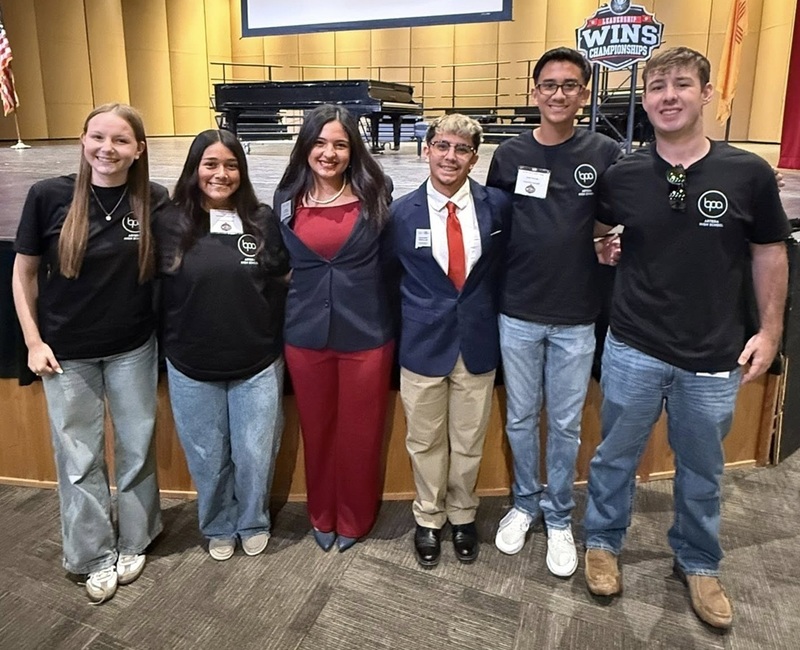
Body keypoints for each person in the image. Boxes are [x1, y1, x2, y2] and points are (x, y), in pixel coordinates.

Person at [582, 47, 789, 630]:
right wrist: (603, 244)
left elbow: (770, 252)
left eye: (681, 84)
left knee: (702, 470)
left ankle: (698, 562)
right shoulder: (622, 174)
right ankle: (602, 542)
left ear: (707, 95)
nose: (668, 96)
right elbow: (599, 228)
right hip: (633, 346)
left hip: (713, 354)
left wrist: (771, 331)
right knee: (613, 458)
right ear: (645, 100)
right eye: (657, 86)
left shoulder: (747, 173)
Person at [11, 103, 167, 603]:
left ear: (138, 149)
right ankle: (93, 554)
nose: (107, 148)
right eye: (98, 137)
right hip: (66, 353)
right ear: (82, 141)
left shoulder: (154, 199)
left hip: (132, 347)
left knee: (137, 449)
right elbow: (24, 274)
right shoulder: (48, 196)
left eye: (120, 140)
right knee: (79, 459)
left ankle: (137, 539)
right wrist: (33, 341)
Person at [485, 47, 621, 576]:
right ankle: (524, 503)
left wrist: (607, 240)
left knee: (564, 423)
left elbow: (614, 216)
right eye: (549, 84)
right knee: (521, 417)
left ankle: (559, 515)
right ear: (535, 92)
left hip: (576, 315)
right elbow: (496, 223)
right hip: (518, 310)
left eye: (569, 85)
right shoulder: (509, 154)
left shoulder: (605, 152)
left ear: (583, 93)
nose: (558, 93)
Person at [156, 130, 290, 561]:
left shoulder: (261, 219)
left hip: (257, 361)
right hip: (191, 361)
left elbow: (282, 277)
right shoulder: (169, 221)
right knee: (206, 456)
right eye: (210, 164)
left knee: (255, 453)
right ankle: (217, 524)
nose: (221, 174)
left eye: (231, 165)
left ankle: (253, 521)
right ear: (194, 169)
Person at [388, 114, 510, 567]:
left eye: (461, 149)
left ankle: (462, 515)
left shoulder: (497, 207)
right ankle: (428, 517)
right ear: (427, 150)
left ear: (474, 158)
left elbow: (504, 267)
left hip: (477, 342)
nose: (450, 156)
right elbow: (389, 278)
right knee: (423, 440)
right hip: (422, 344)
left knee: (468, 438)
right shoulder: (400, 213)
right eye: (442, 146)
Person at [273, 105, 394, 553]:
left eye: (340, 144)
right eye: (320, 143)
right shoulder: (286, 197)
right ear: (306, 146)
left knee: (361, 433)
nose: (329, 153)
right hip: (306, 333)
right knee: (317, 430)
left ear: (353, 149)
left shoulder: (376, 191)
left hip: (366, 333)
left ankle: (355, 516)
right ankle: (321, 512)